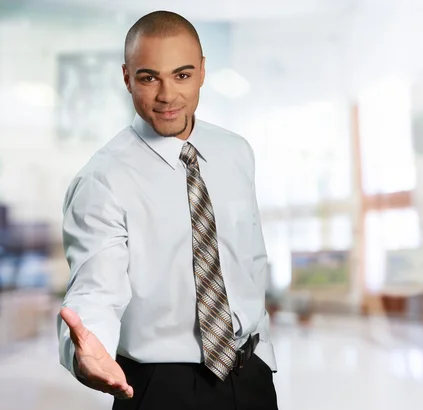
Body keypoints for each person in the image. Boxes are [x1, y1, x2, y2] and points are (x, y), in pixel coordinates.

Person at [56, 10, 278, 410]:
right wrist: (87, 350)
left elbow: (247, 261)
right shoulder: (102, 179)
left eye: (182, 75)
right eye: (148, 77)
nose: (167, 95)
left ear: (203, 71)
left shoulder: (236, 152)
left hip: (250, 380)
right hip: (160, 388)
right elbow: (95, 289)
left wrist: (263, 353)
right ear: (127, 77)